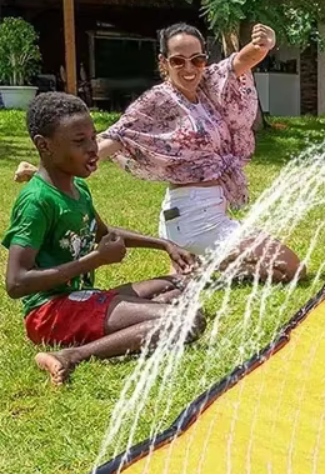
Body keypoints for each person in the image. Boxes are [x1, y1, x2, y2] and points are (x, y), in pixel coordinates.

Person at [15, 22, 301, 283]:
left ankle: (196, 267)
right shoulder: (158, 101)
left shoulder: (206, 86)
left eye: (197, 59)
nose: (189, 68)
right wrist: (48, 171)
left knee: (278, 267)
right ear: (163, 63)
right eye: (178, 61)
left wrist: (263, 44)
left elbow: (238, 63)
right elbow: (117, 137)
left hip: (209, 211)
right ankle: (196, 264)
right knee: (290, 267)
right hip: (192, 218)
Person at [3, 93, 205, 385]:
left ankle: (132, 320)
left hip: (81, 299)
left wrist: (165, 245)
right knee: (188, 320)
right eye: (79, 142)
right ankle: (71, 356)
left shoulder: (78, 188)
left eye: (93, 138)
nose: (92, 149)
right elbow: (16, 283)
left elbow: (105, 233)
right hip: (49, 314)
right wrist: (95, 260)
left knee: (181, 286)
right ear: (44, 145)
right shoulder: (37, 201)